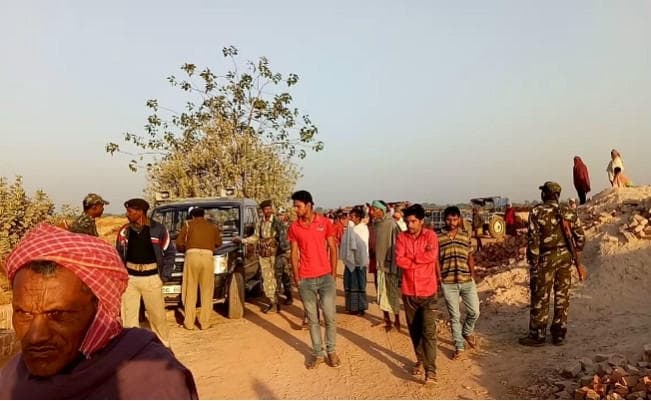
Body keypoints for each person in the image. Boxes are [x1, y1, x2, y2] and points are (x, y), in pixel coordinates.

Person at [0, 224, 197, 399]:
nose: (36, 336)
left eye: (57, 315)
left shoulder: (152, 380)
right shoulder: (11, 378)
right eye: (23, 313)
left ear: (99, 310)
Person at [519, 182, 585, 347]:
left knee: (541, 296)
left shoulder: (537, 212)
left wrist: (533, 264)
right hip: (565, 258)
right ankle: (559, 334)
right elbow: (580, 239)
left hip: (545, 258)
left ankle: (538, 335)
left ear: (545, 194)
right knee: (562, 296)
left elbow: (533, 241)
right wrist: (573, 253)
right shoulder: (569, 212)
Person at [288, 190, 340, 369]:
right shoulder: (294, 227)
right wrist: (297, 277)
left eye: (298, 206)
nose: (296, 209)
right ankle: (318, 353)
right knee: (312, 319)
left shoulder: (325, 223)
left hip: (325, 277)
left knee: (330, 317)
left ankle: (331, 351)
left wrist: (333, 274)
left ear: (309, 205)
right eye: (295, 206)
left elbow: (333, 248)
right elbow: (294, 253)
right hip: (306, 279)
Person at [116, 198, 175, 348]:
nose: (127, 214)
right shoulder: (124, 231)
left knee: (157, 317)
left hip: (152, 278)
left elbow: (170, 253)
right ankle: (132, 349)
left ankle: (164, 347)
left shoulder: (158, 229)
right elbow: (118, 255)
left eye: (130, 211)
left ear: (140, 212)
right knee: (129, 318)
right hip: (130, 280)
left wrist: (164, 277)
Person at [394, 204, 439, 385]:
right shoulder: (401, 237)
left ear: (421, 221)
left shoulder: (431, 236)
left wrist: (412, 259)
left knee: (429, 332)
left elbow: (432, 256)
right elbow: (400, 260)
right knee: (415, 331)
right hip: (409, 292)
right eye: (407, 222)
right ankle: (420, 359)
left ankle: (431, 371)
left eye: (413, 221)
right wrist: (419, 260)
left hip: (428, 291)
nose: (410, 225)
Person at [438, 206, 480, 359]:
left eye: (455, 219)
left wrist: (472, 275)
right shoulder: (438, 237)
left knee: (475, 312)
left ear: (459, 219)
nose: (452, 222)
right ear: (444, 220)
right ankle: (459, 346)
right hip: (448, 282)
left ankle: (467, 332)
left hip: (466, 280)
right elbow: (435, 259)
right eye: (449, 219)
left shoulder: (465, 236)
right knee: (454, 316)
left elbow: (470, 256)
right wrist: (439, 277)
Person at [176, 207, 222, 330]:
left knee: (190, 290)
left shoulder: (188, 225)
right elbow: (218, 243)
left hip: (192, 256)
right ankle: (205, 323)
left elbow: (179, 243)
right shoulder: (212, 227)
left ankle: (189, 323)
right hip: (207, 257)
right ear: (204, 215)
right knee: (207, 291)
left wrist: (185, 249)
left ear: (192, 216)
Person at [239, 200, 289, 313]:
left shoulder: (277, 222)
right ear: (263, 210)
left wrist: (284, 253)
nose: (268, 211)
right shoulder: (260, 223)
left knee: (277, 277)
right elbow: (256, 237)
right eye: (266, 209)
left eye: (270, 208)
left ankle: (278, 299)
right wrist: (243, 241)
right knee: (267, 278)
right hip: (264, 254)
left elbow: (283, 240)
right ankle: (273, 302)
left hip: (276, 254)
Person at [371, 199, 402, 331]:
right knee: (381, 293)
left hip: (390, 265)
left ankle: (397, 322)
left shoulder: (392, 224)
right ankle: (386, 319)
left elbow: (398, 244)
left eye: (374, 209)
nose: (372, 212)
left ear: (381, 210)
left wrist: (395, 264)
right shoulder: (376, 224)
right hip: (379, 264)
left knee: (392, 294)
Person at [340, 206, 369, 316]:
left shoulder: (362, 229)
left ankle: (361, 308)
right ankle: (352, 307)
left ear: (358, 218)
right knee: (350, 283)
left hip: (360, 262)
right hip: (350, 262)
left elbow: (362, 245)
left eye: (352, 216)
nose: (350, 219)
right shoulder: (350, 229)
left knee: (360, 285)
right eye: (350, 216)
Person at [275, 207, 294, 305]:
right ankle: (276, 299)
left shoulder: (291, 226)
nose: (280, 217)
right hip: (278, 254)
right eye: (278, 215)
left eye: (282, 214)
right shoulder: (275, 226)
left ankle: (289, 296)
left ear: (285, 215)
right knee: (277, 276)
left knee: (287, 276)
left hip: (288, 254)